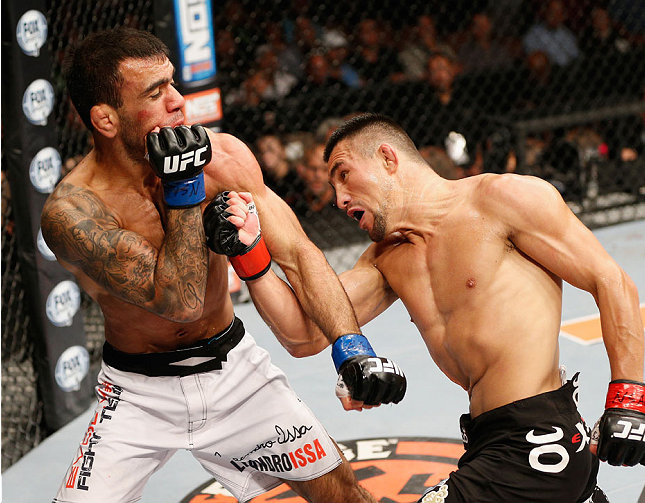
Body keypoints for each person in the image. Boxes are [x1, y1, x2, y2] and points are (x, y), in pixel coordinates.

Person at [41, 29, 405, 503]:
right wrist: (185, 189)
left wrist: (350, 347)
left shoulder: (223, 156)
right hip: (137, 394)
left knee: (342, 493)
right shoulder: (73, 213)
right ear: (105, 120)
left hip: (233, 369)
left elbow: (297, 252)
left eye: (173, 83)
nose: (177, 103)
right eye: (155, 93)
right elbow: (180, 302)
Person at [217, 113, 645, 502]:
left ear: (389, 160)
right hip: (491, 440)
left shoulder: (502, 199)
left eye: (344, 175)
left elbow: (611, 280)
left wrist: (631, 401)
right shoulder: (388, 258)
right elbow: (304, 333)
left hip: (537, 437)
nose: (338, 198)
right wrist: (252, 257)